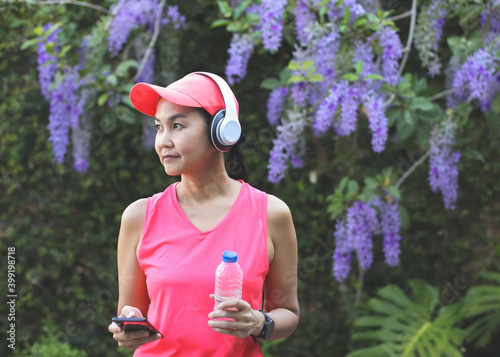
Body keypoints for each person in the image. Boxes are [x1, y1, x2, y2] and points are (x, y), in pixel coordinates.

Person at [108, 71, 299, 356]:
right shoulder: (138, 217)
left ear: (222, 131)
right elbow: (131, 312)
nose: (163, 141)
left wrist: (259, 322)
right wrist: (127, 330)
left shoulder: (271, 214)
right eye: (159, 127)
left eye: (178, 126)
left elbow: (288, 313)